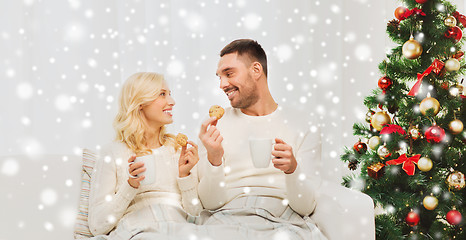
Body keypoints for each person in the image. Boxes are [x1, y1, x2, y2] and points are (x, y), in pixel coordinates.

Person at [197, 39, 327, 239]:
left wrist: (292, 169)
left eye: (229, 73)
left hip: (284, 219)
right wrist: (214, 159)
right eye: (219, 77)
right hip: (226, 218)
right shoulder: (215, 127)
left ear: (256, 70)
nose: (222, 84)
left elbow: (306, 206)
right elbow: (210, 203)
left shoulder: (302, 124)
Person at [88, 72, 202, 239]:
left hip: (180, 231)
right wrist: (131, 186)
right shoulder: (112, 153)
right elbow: (97, 226)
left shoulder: (180, 150)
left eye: (170, 94)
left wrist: (185, 177)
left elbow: (196, 215)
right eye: (162, 94)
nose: (172, 102)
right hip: (138, 231)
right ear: (140, 103)